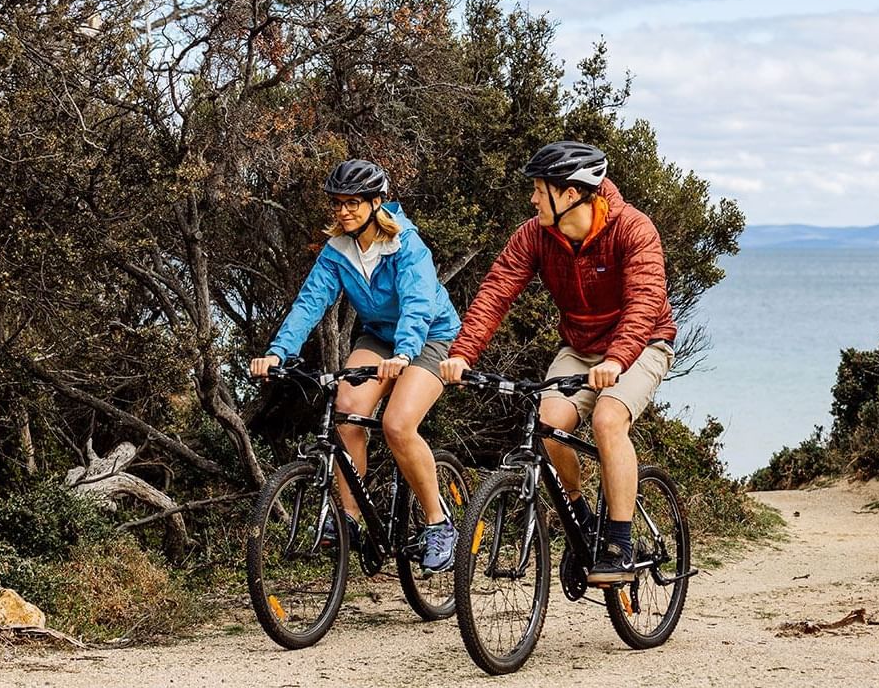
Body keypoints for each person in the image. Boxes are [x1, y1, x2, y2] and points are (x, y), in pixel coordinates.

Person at [439, 141, 676, 585]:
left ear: (570, 194)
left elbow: (645, 303)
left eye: (539, 188)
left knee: (608, 419)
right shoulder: (534, 235)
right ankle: (581, 517)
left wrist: (618, 359)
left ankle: (619, 543)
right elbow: (496, 292)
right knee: (548, 425)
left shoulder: (633, 229)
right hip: (581, 346)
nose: (532, 198)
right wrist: (461, 353)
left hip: (641, 344)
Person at [250, 159, 462, 573]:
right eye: (338, 204)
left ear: (376, 202)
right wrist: (278, 352)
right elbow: (310, 303)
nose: (344, 212)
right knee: (347, 413)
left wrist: (404, 354)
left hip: (430, 336)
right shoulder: (338, 251)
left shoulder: (407, 246)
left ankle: (438, 524)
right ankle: (348, 519)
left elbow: (418, 303)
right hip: (381, 336)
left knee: (397, 424)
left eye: (353, 203)